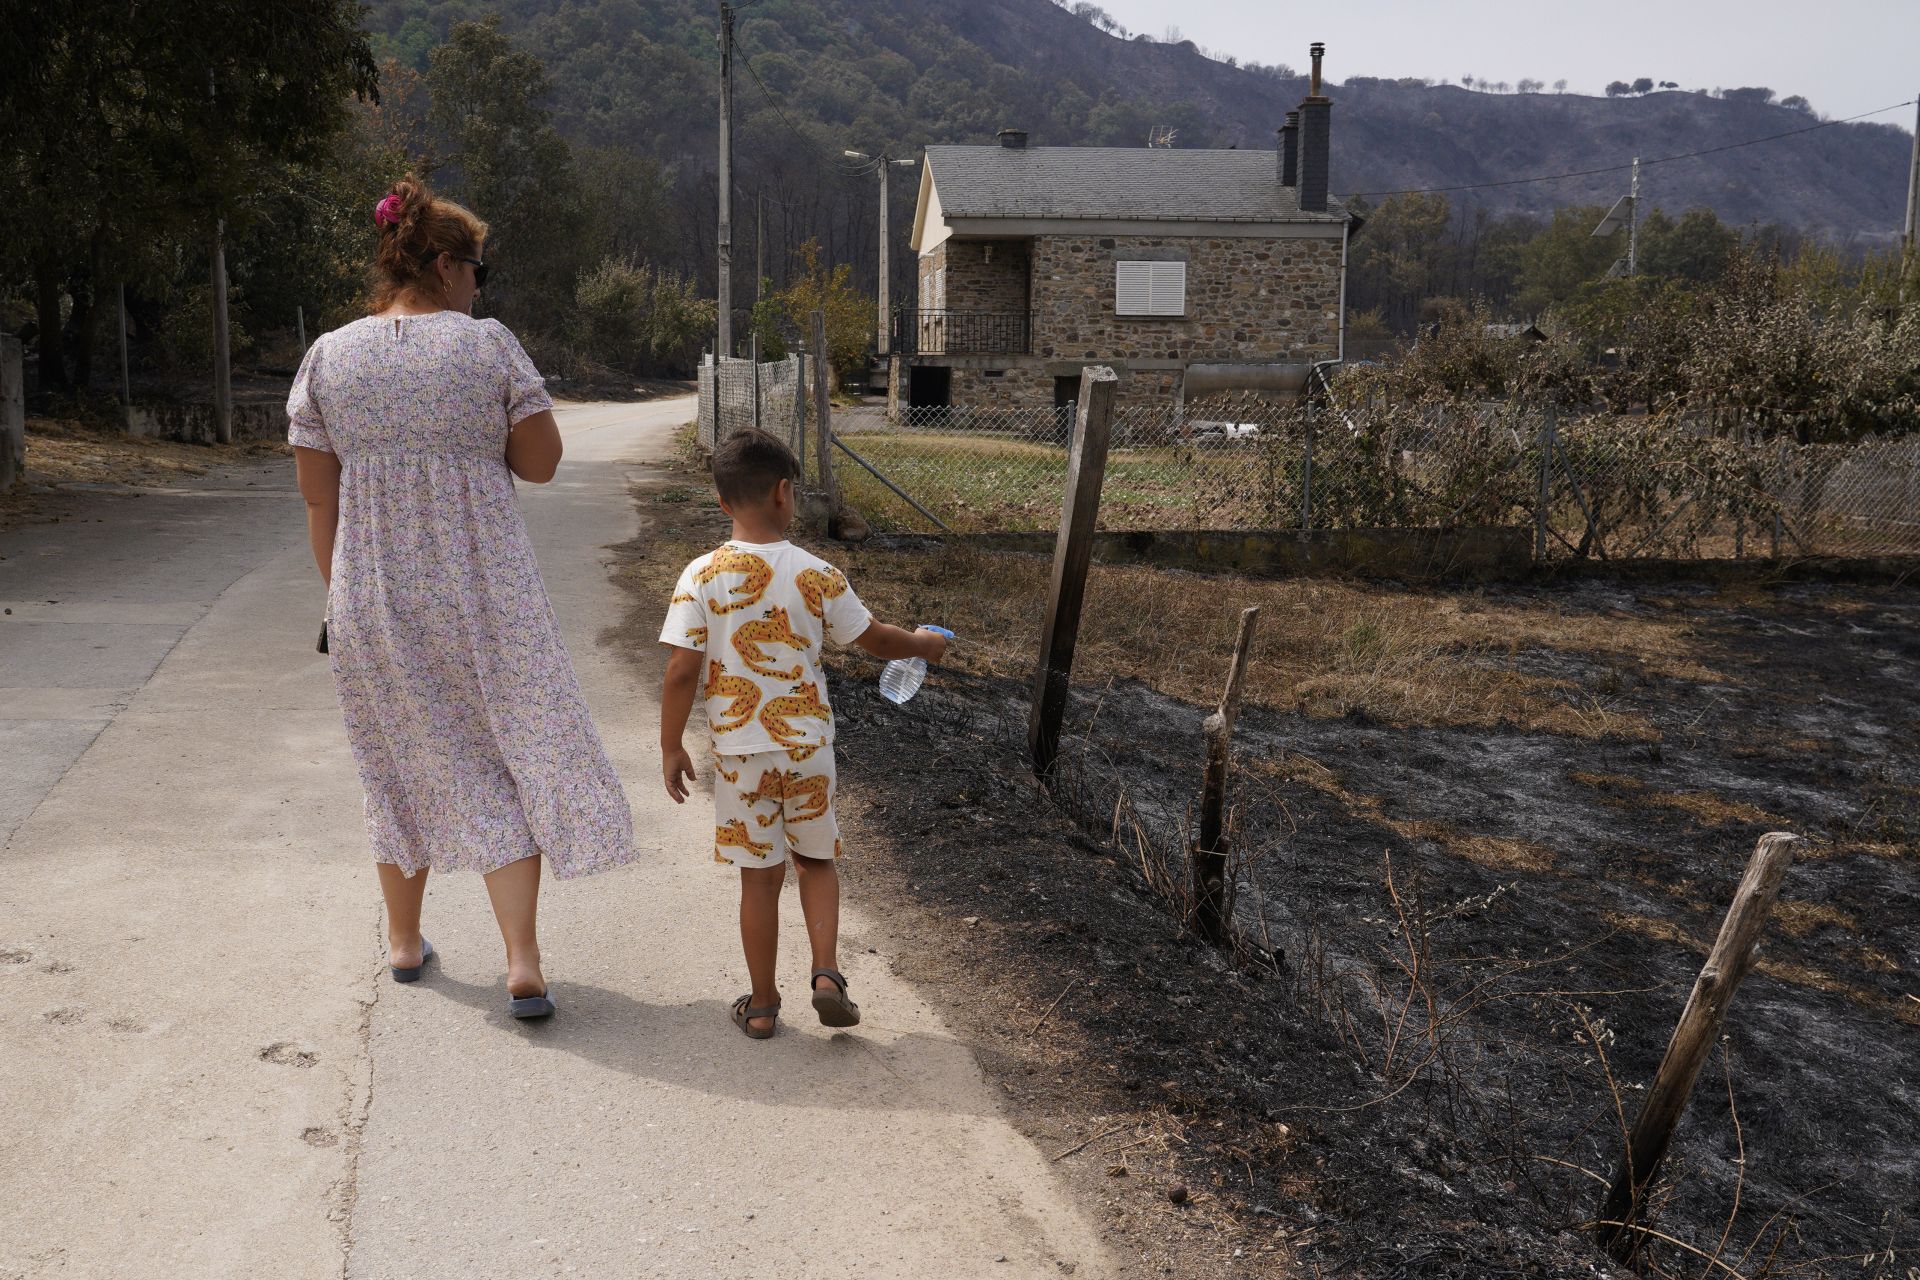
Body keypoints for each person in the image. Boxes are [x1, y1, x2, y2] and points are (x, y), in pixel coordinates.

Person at [288, 175, 637, 1020]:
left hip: (370, 595)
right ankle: (522, 961)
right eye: (478, 269)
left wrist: (346, 598)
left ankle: (405, 945)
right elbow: (543, 462)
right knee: (505, 756)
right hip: (489, 595)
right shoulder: (488, 348)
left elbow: (317, 499)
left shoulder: (329, 355)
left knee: (394, 761)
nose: (482, 285)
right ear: (445, 265)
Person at [658, 430, 948, 1038]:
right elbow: (878, 642)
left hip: (741, 756)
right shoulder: (818, 573)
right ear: (786, 494)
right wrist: (925, 644)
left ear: (721, 502)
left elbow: (682, 670)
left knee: (759, 879)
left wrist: (671, 745)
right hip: (807, 748)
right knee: (816, 861)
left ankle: (762, 1007)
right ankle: (826, 974)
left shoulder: (699, 576)